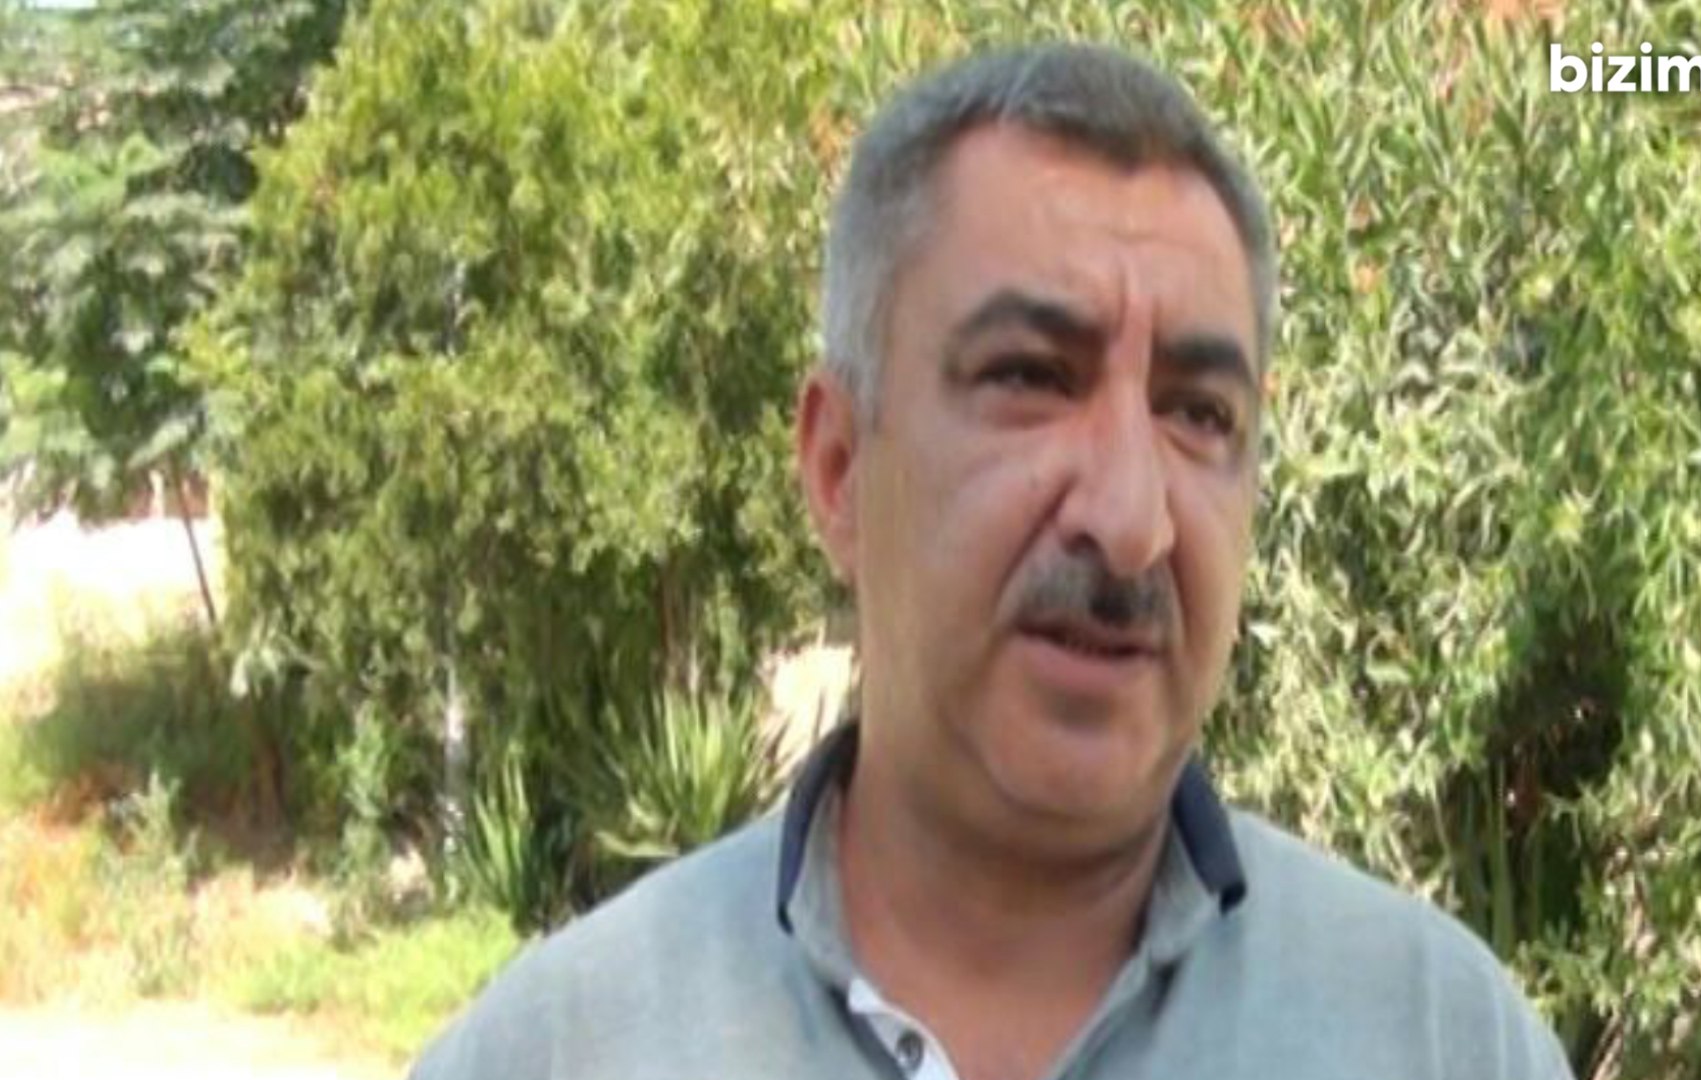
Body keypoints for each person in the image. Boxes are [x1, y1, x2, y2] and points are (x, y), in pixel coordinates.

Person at [411, 42, 1576, 1080]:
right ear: (838, 468)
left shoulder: (1445, 1042)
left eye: (1197, 412)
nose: (1131, 520)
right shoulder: (556, 1053)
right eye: (1029, 377)